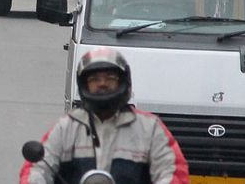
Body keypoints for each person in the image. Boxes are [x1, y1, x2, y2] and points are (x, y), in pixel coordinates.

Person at [20, 48, 189, 184]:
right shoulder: (67, 127)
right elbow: (37, 169)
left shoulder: (149, 128)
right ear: (84, 86)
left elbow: (172, 172)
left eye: (110, 78)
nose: (102, 83)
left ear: (124, 82)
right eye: (94, 79)